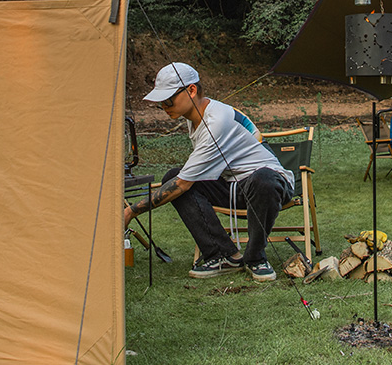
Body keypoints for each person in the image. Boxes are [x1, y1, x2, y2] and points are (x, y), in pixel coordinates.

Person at [123, 62, 294, 282]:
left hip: (270, 184)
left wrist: (130, 212)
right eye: (160, 103)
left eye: (168, 100)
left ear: (192, 90)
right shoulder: (194, 119)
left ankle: (256, 257)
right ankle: (223, 255)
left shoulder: (216, 121)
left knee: (262, 179)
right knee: (172, 176)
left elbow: (183, 184)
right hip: (234, 186)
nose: (164, 107)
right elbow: (185, 178)